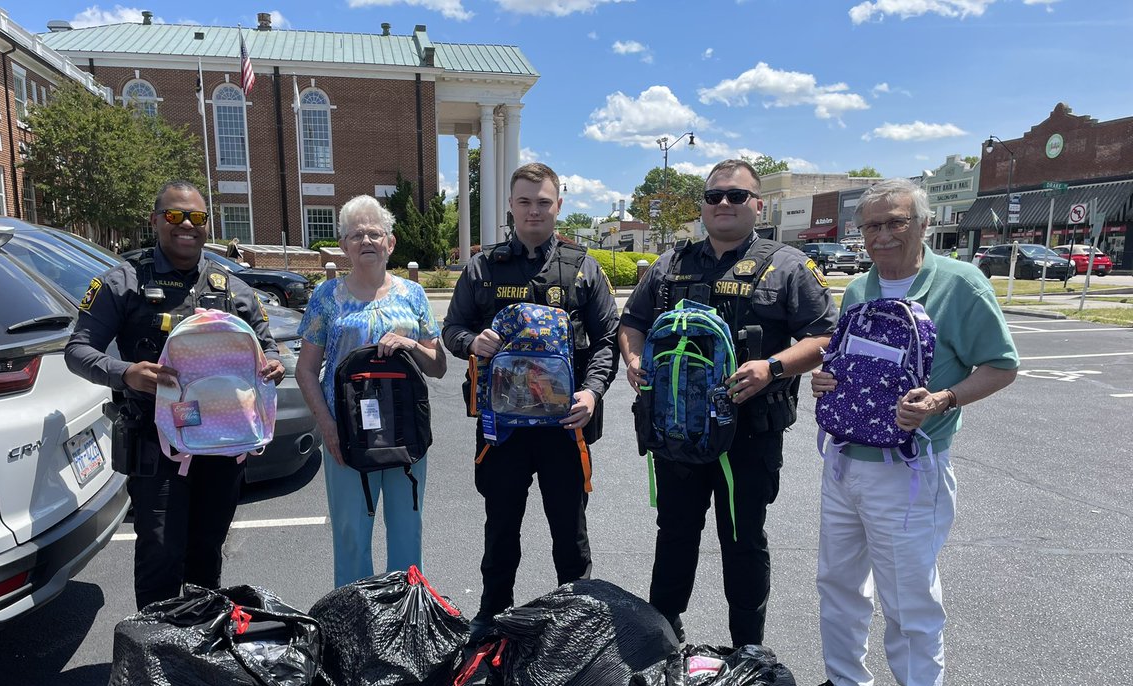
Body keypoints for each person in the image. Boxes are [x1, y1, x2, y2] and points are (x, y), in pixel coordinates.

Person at [802, 179, 1019, 686]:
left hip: (908, 471)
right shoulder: (860, 288)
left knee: (909, 599)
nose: (882, 235)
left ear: (923, 224)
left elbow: (1001, 365)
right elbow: (846, 361)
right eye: (872, 226)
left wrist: (946, 398)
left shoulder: (959, 284)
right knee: (838, 583)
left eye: (895, 222)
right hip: (846, 459)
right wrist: (827, 382)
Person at [618, 159, 836, 646]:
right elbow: (630, 323)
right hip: (678, 428)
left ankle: (747, 647)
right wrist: (634, 362)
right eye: (714, 195)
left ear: (758, 205)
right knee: (674, 533)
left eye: (736, 196)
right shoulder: (670, 265)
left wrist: (771, 368)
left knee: (742, 539)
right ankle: (663, 636)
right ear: (702, 205)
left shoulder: (790, 266)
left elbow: (825, 336)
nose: (723, 204)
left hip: (749, 431)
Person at [65, 181, 284, 609]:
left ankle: (198, 648)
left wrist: (272, 363)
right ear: (154, 221)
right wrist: (125, 372)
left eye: (197, 218)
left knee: (206, 550)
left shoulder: (231, 288)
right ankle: (156, 657)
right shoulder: (123, 282)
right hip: (155, 440)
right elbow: (77, 350)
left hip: (222, 443)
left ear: (207, 225)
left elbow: (266, 343)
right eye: (174, 216)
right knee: (161, 552)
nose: (186, 225)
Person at [442, 162, 619, 628]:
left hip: (566, 426)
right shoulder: (482, 268)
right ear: (510, 206)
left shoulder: (584, 268)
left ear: (559, 205)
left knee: (569, 531)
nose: (534, 210)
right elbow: (452, 327)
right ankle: (492, 615)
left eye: (544, 202)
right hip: (502, 428)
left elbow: (607, 340)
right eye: (525, 201)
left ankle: (577, 623)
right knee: (501, 527)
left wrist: (593, 393)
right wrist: (470, 343)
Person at [294, 195, 446, 587]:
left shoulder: (412, 295)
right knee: (351, 538)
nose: (366, 241)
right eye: (355, 234)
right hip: (347, 434)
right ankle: (354, 626)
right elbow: (306, 370)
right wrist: (327, 427)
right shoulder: (326, 297)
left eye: (374, 233)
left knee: (407, 535)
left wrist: (411, 344)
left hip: (405, 433)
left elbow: (439, 365)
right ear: (343, 245)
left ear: (390, 243)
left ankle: (406, 621)